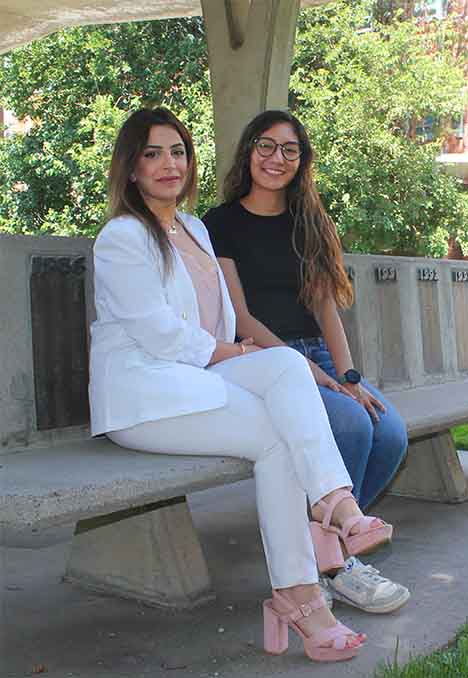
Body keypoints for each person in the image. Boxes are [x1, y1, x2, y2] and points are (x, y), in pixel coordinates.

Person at [89, 107, 393, 662]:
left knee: (286, 369)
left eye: (177, 151)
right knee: (276, 429)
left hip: (200, 381)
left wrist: (241, 351)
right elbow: (158, 332)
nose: (168, 164)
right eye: (152, 153)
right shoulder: (121, 237)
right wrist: (233, 352)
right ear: (130, 167)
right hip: (147, 398)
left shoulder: (195, 228)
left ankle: (329, 517)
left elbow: (223, 315)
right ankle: (309, 581)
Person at [203, 109, 410, 615]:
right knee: (352, 428)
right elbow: (241, 316)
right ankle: (338, 567)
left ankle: (329, 550)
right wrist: (313, 374)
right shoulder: (220, 223)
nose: (277, 158)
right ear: (249, 151)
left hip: (314, 352)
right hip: (264, 360)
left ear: (302, 160)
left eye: (289, 150)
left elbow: (324, 308)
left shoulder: (310, 220)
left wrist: (348, 376)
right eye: (266, 146)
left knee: (390, 432)